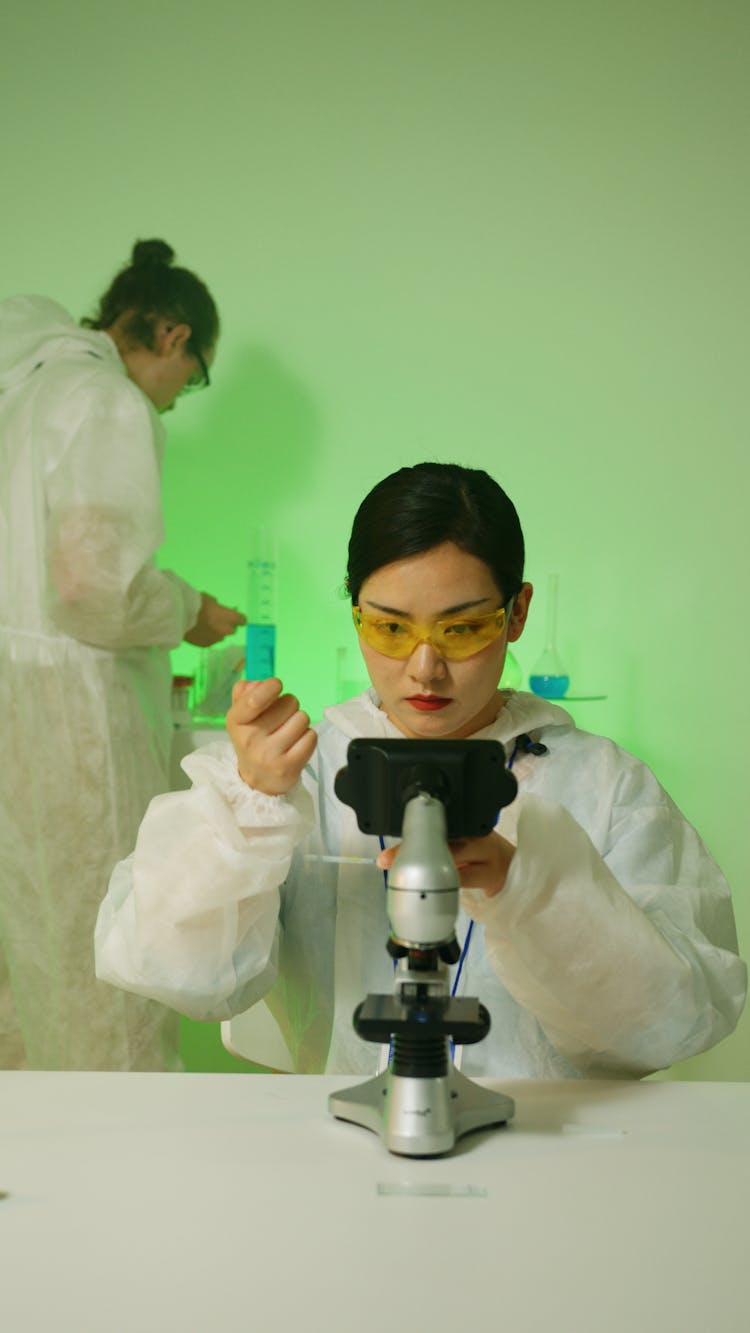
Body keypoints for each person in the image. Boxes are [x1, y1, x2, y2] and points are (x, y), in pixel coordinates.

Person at [95, 463, 746, 1078]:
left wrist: (535, 888)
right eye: (390, 627)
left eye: (461, 630)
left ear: (517, 612)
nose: (424, 667)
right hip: (346, 1141)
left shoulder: (602, 786)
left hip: (548, 1152)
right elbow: (160, 966)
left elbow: (679, 1020)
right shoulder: (301, 773)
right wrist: (244, 809)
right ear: (355, 611)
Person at [0, 239, 245, 1070]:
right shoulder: (105, 401)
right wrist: (189, 608)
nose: (180, 398)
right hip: (64, 722)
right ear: (173, 336)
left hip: (12, 699)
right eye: (196, 373)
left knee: (24, 963)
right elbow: (90, 588)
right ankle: (117, 1179)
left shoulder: (26, 386)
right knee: (98, 960)